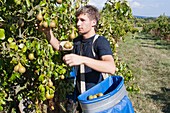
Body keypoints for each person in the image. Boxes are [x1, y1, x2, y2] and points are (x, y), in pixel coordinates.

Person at [37, 5, 116, 112]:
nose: (78, 24)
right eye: (77, 20)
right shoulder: (76, 41)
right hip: (82, 98)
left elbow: (111, 67)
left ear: (93, 22)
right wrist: (47, 32)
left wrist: (82, 59)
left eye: (82, 20)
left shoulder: (100, 42)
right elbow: (58, 46)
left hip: (98, 99)